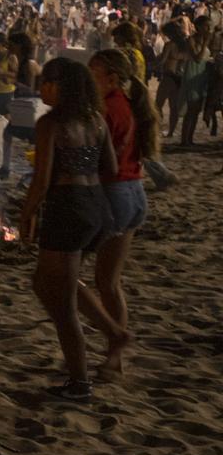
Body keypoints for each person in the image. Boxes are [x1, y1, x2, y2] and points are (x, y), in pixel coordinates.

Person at [20, 56, 118, 401]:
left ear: (65, 87)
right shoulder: (96, 120)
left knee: (61, 304)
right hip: (94, 204)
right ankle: (112, 330)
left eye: (48, 82)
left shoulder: (51, 124)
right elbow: (111, 166)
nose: (42, 87)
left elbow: (42, 179)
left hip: (67, 207)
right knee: (46, 282)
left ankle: (80, 381)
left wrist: (27, 213)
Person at [84, 48, 154, 379]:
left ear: (111, 78)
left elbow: (99, 158)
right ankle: (115, 356)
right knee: (109, 282)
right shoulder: (128, 104)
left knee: (65, 276)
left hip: (114, 194)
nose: (88, 79)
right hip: (134, 192)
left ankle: (116, 339)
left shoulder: (107, 109)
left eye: (93, 74)